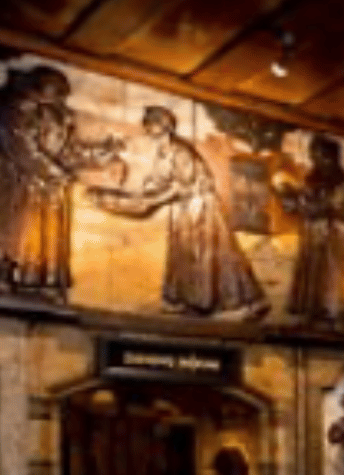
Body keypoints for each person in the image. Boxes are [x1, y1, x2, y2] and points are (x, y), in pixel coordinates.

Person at [0, 66, 118, 296]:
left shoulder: (56, 114)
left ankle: (24, 278)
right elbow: (21, 146)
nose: (57, 98)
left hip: (38, 183)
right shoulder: (13, 107)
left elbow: (66, 150)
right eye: (53, 92)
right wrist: (56, 174)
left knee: (32, 236)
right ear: (38, 87)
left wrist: (103, 154)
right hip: (6, 178)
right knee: (2, 229)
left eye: (59, 94)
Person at [89, 106, 268, 318]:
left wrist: (149, 200)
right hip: (183, 207)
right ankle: (187, 299)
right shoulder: (164, 151)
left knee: (204, 254)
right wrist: (140, 194)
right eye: (147, 123)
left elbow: (180, 186)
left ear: (164, 126)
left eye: (151, 123)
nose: (147, 128)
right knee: (183, 254)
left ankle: (225, 301)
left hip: (199, 206)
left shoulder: (180, 151)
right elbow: (159, 180)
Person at [276, 134, 344, 322]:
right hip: (314, 231)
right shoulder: (312, 178)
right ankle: (311, 306)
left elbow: (330, 206)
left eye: (317, 154)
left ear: (329, 156)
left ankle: (329, 308)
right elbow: (306, 202)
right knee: (312, 269)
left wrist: (301, 203)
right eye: (312, 154)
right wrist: (290, 197)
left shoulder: (341, 183)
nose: (313, 158)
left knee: (329, 271)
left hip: (332, 234)